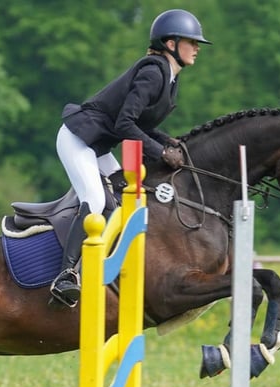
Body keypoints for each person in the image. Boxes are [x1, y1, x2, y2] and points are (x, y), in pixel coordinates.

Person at [50, 9, 211, 307]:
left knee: (124, 197)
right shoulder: (153, 72)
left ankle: (103, 266)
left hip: (96, 145)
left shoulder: (169, 78)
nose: (197, 47)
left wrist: (169, 141)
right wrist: (161, 151)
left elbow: (142, 124)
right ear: (171, 44)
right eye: (192, 41)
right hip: (77, 139)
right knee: (96, 201)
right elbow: (125, 124)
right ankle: (66, 275)